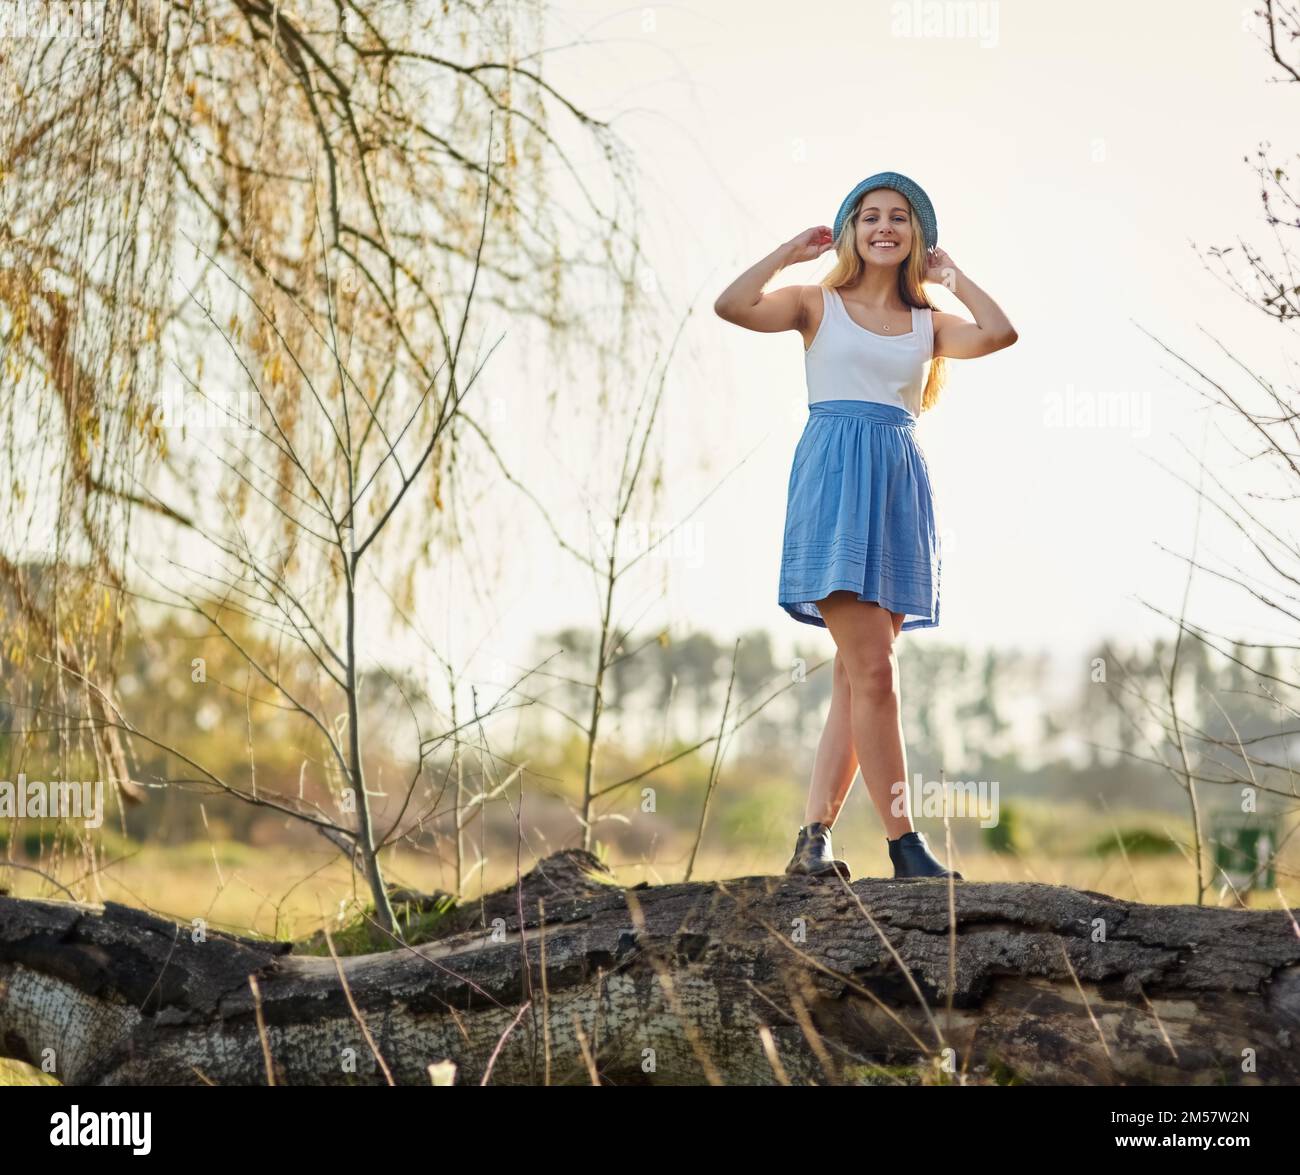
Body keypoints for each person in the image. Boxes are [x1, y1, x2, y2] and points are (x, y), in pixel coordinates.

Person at [713, 171, 1017, 882]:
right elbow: (732, 304)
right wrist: (789, 251)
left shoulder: (926, 325)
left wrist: (955, 276)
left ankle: (812, 839)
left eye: (901, 218)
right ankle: (904, 844)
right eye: (870, 215)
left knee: (859, 679)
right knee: (874, 672)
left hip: (899, 490)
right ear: (850, 230)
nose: (885, 226)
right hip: (835, 486)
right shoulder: (816, 305)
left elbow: (1000, 332)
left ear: (918, 236)